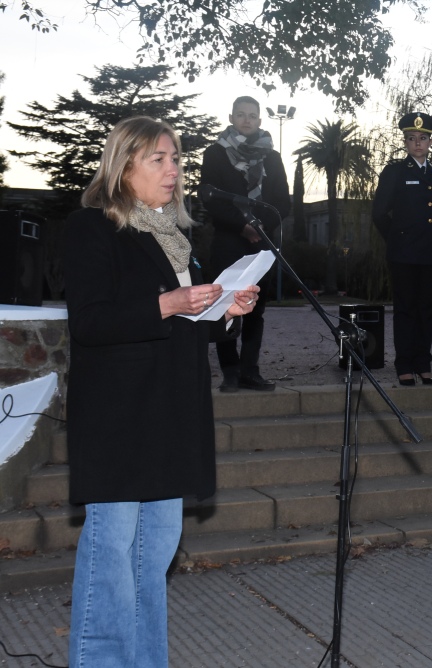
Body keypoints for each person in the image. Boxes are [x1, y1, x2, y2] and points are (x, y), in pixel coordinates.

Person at [64, 116, 260, 667]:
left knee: (153, 560)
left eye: (176, 159)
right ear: (124, 166)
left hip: (171, 413)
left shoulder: (175, 236)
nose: (173, 169)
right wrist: (171, 303)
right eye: (159, 159)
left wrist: (224, 312)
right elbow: (91, 322)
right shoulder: (93, 228)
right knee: (113, 558)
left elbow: (182, 324)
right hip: (120, 419)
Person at [200, 95, 290, 392]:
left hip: (261, 243)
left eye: (252, 115)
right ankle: (230, 372)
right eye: (241, 114)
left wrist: (261, 227)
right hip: (228, 240)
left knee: (255, 309)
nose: (247, 120)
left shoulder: (273, 158)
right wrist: (242, 225)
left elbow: (283, 202)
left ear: (260, 121)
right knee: (225, 304)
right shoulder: (215, 154)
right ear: (231, 117)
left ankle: (251, 370)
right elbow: (209, 198)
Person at [372, 112, 432, 386]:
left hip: (430, 253)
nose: (418, 143)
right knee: (405, 309)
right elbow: (379, 212)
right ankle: (404, 364)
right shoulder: (394, 172)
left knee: (427, 309)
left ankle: (423, 363)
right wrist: (396, 237)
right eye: (412, 138)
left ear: (431, 141)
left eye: (424, 138)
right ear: (405, 142)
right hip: (403, 253)